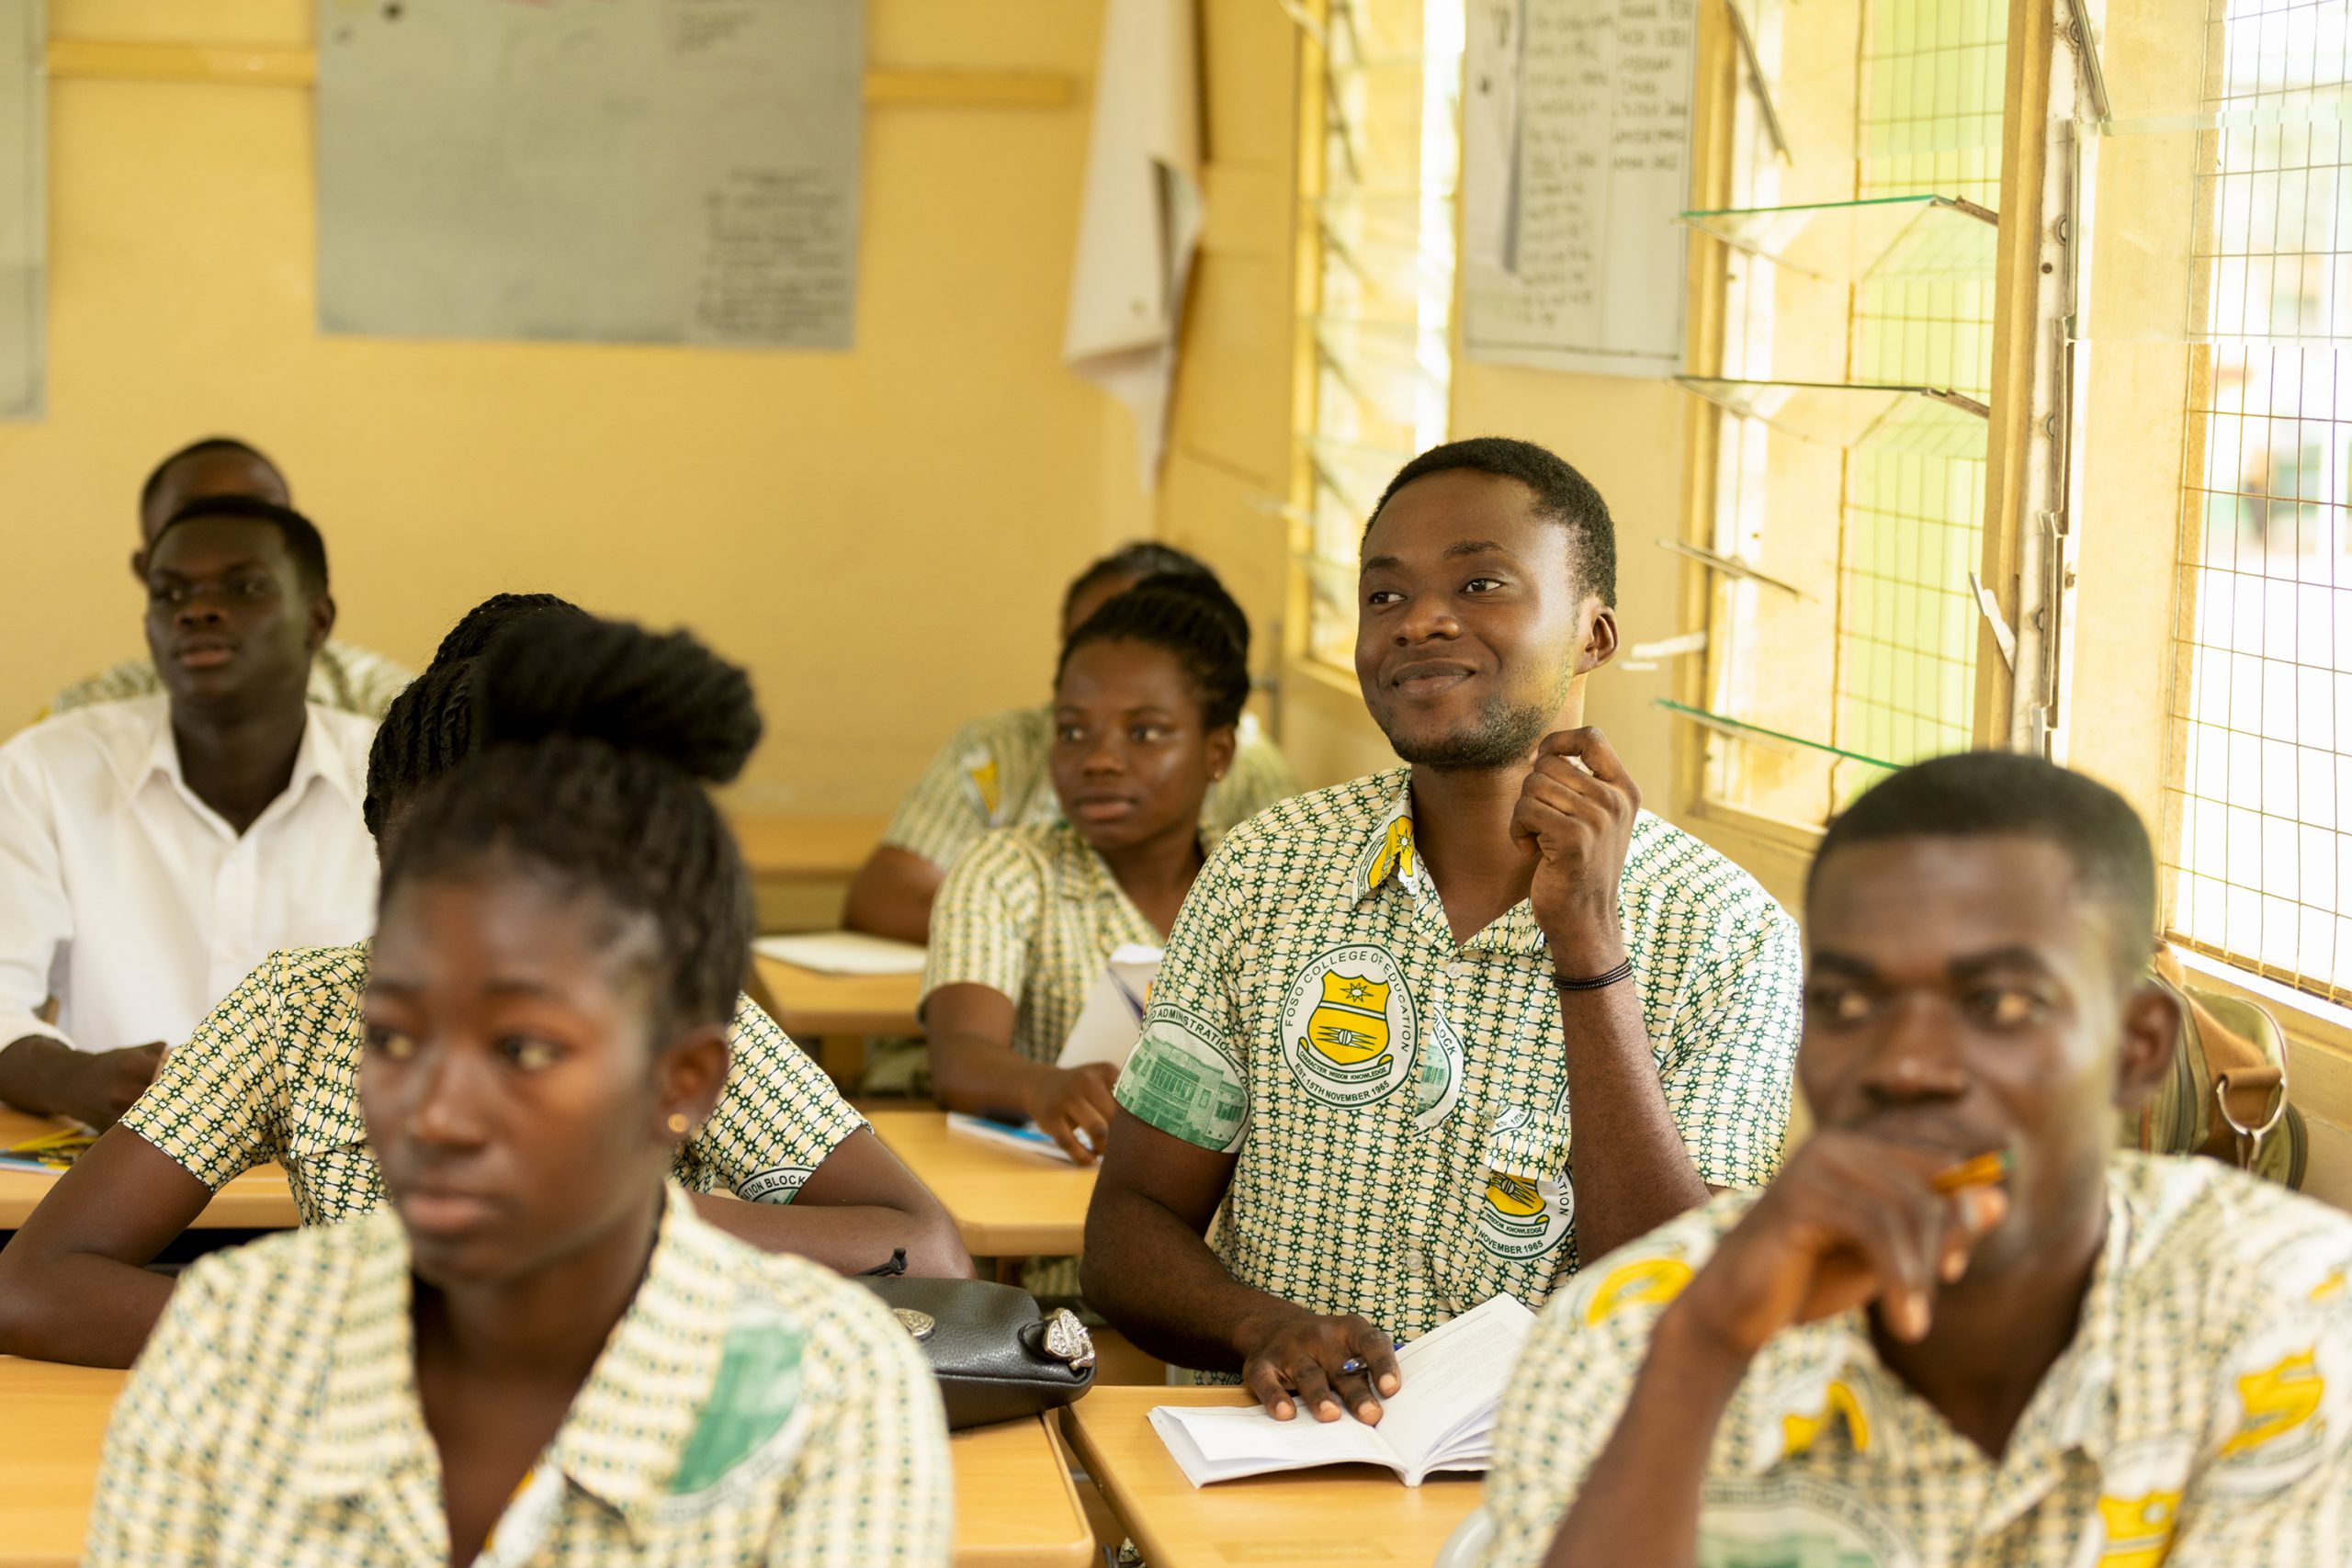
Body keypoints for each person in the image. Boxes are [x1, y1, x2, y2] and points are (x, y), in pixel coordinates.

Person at [83, 616, 952, 1567]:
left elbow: (924, 1244)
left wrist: (646, 1222)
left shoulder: (830, 1393)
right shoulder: (226, 1339)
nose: (436, 1112)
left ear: (684, 1079)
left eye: (524, 1049)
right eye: (393, 1037)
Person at [1478, 752, 2352, 1567]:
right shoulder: (1631, 1329)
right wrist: (1698, 1356)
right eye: (1849, 1001)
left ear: (2136, 1047)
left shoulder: (2292, 1323)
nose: (1905, 1065)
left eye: (1998, 1002)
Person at [1080, 436, 1803, 1422]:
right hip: (1270, 1467)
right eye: (1384, 595)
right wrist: (1260, 1327)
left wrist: (1589, 945)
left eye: (1480, 583)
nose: (1419, 620)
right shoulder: (1265, 872)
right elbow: (1129, 1230)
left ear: (1594, 636)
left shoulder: (1728, 936)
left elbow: (1681, 1309)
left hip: (1553, 1486)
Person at [0, 494, 378, 1129]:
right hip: (111, 1168)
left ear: (316, 620)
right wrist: (75, 1078)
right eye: (169, 593)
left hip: (349, 1168)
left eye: (243, 587)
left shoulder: (403, 777)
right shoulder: (44, 771)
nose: (196, 610)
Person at [923, 574, 1250, 1164]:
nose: (1099, 760)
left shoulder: (1260, 882)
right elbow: (960, 1057)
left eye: (1144, 733)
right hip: (1054, 1194)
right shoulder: (1008, 871)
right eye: (1073, 731)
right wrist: (1043, 1086)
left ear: (1216, 752)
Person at [843, 541, 1297, 943]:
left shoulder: (1254, 771)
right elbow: (883, 896)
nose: (1102, 760)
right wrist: (1029, 937)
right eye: (1094, 637)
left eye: (1145, 732)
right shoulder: (997, 750)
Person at [42, 436, 413, 722]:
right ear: (147, 570)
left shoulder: (390, 707)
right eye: (191, 522)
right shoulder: (86, 717)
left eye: (260, 515)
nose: (227, 537)